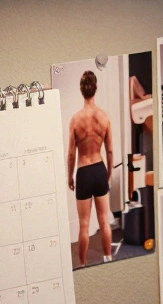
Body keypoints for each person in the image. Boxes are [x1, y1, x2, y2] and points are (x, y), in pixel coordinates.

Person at [67, 70, 114, 265]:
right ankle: (108, 257)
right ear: (95, 89)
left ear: (81, 89)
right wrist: (108, 174)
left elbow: (71, 154)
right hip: (99, 169)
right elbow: (110, 151)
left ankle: (84, 264)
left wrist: (69, 177)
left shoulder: (75, 120)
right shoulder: (104, 117)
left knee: (84, 226)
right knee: (104, 221)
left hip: (84, 172)